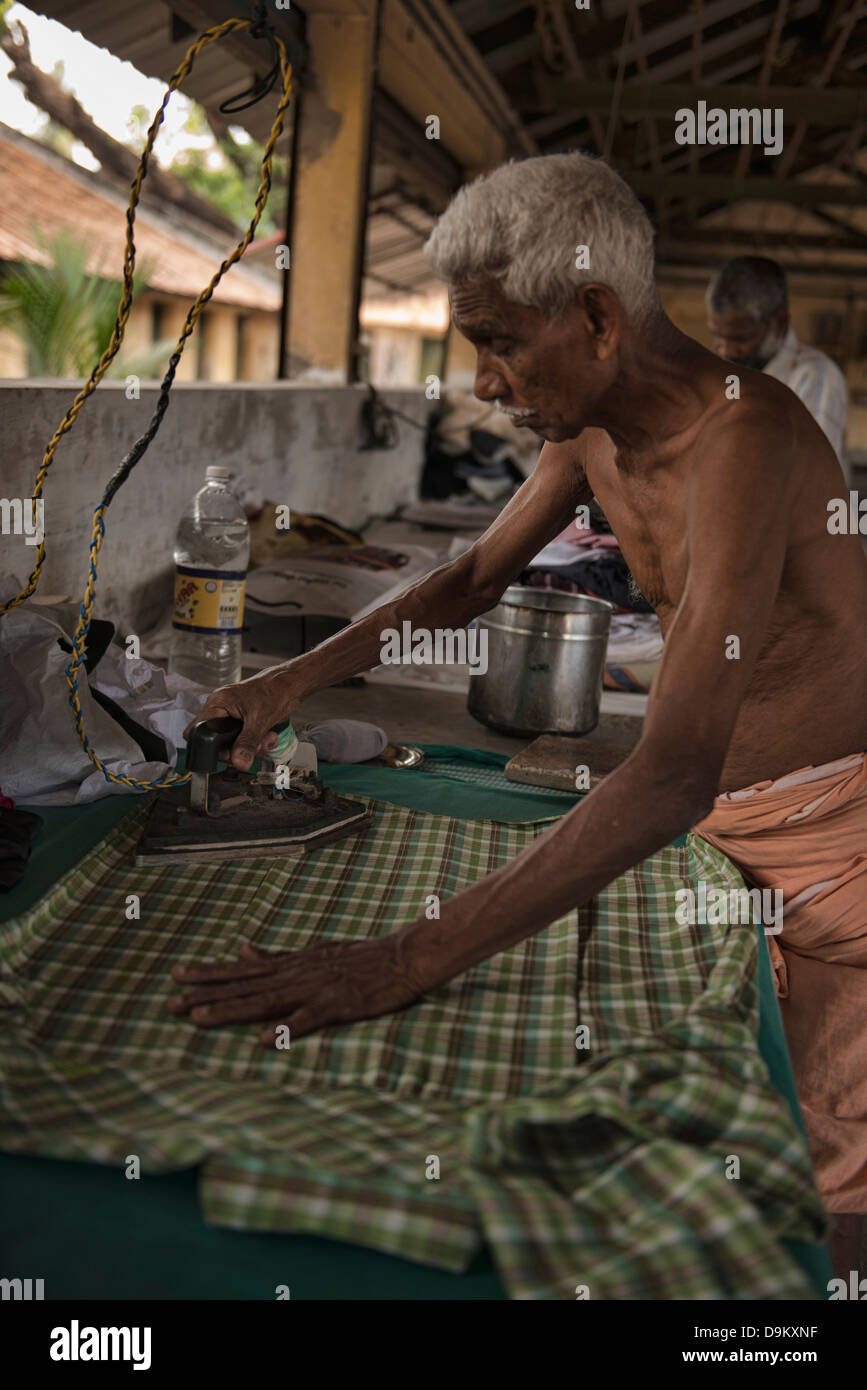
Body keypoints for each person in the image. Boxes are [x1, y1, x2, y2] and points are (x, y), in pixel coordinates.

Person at [170, 154, 867, 1213]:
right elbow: (466, 581)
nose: (484, 381)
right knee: (697, 1137)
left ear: (596, 316)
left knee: (814, 1184)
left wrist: (399, 961)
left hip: (835, 849)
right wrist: (285, 684)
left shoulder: (746, 434)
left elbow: (673, 770)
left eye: (498, 342)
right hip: (714, 839)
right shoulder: (593, 429)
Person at [707, 255, 849, 469]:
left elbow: (809, 476)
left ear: (780, 323)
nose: (725, 350)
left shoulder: (815, 376)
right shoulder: (726, 378)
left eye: (740, 338)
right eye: (717, 336)